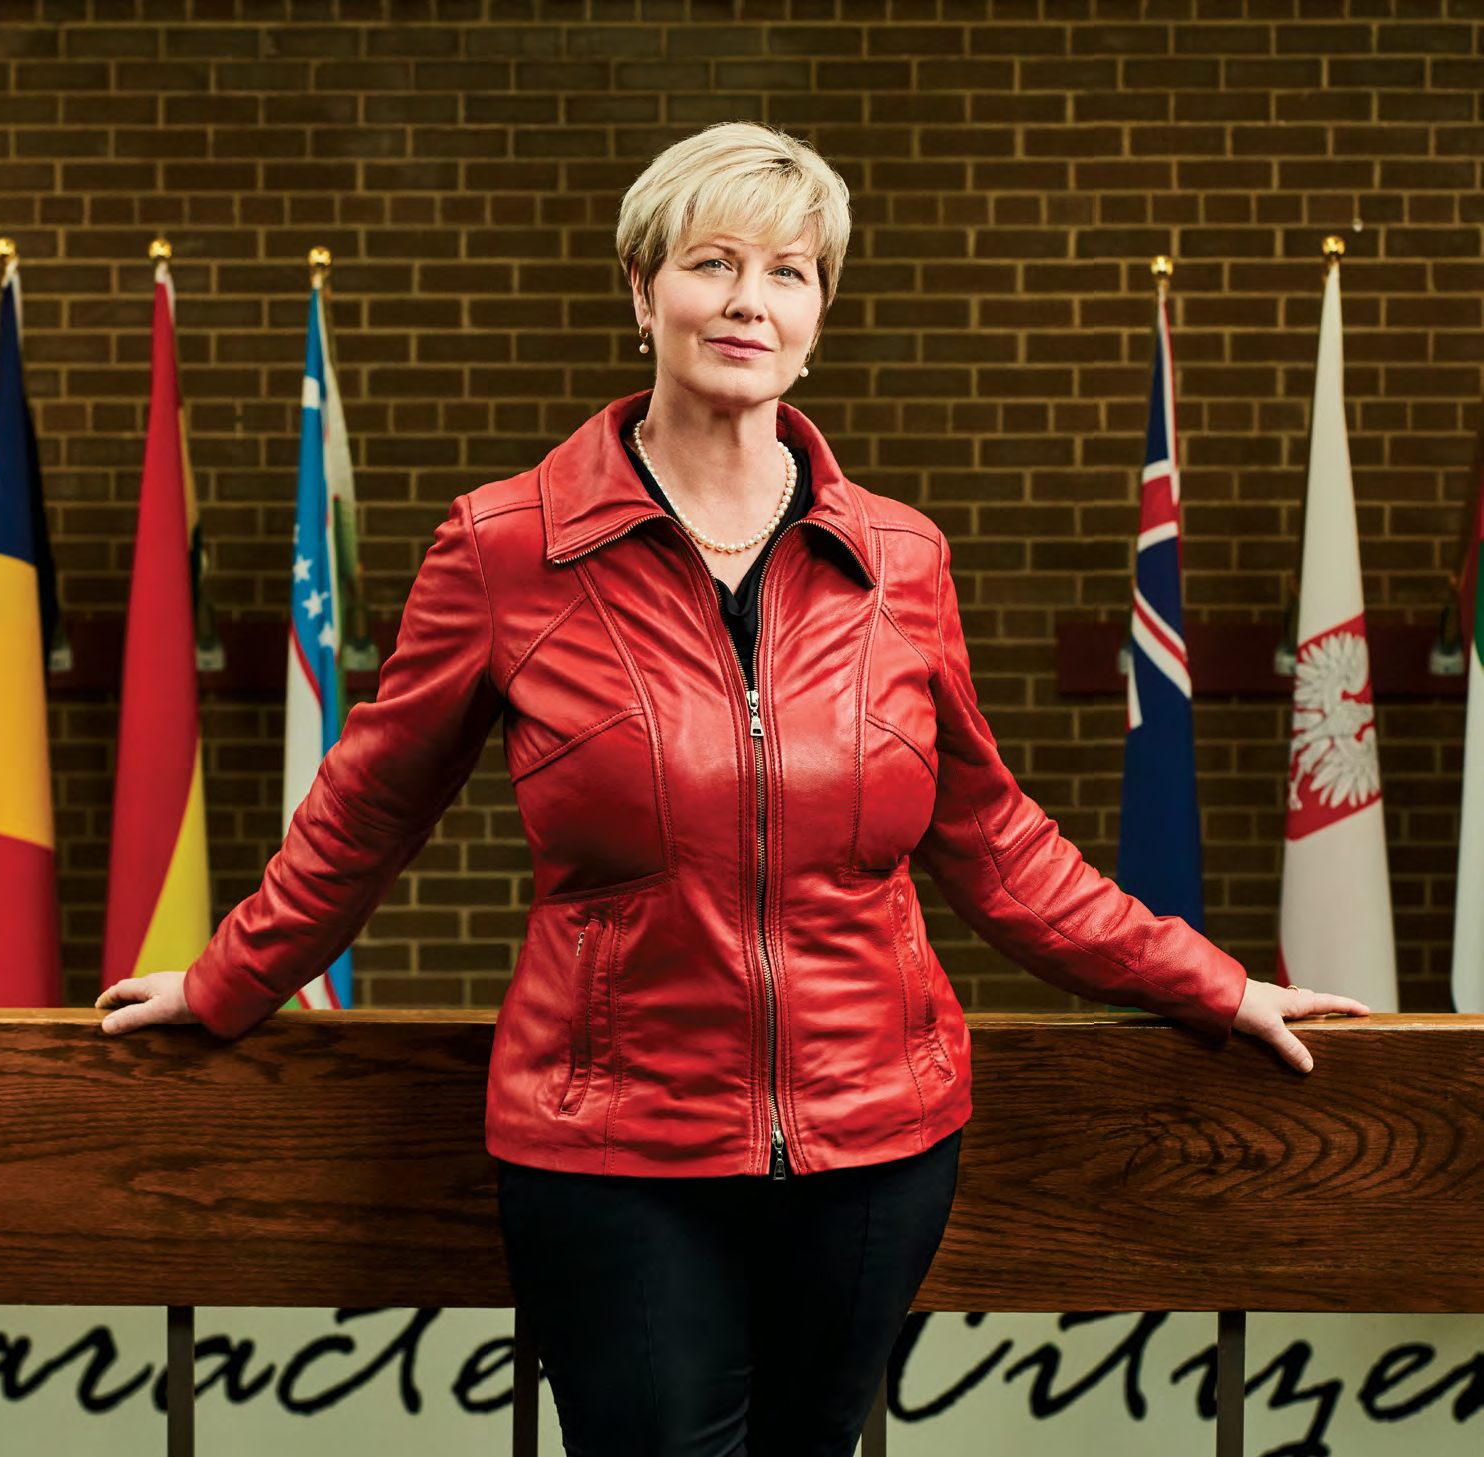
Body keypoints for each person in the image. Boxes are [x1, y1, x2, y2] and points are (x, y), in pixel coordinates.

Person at [97, 121, 1369, 1457]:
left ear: (821, 316)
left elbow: (992, 836)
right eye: (711, 262)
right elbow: (369, 804)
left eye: (790, 272)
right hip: (613, 1148)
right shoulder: (506, 548)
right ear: (643, 292)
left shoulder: (899, 558)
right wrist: (231, 975)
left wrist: (1209, 980)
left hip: (877, 1141)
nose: (749, 301)